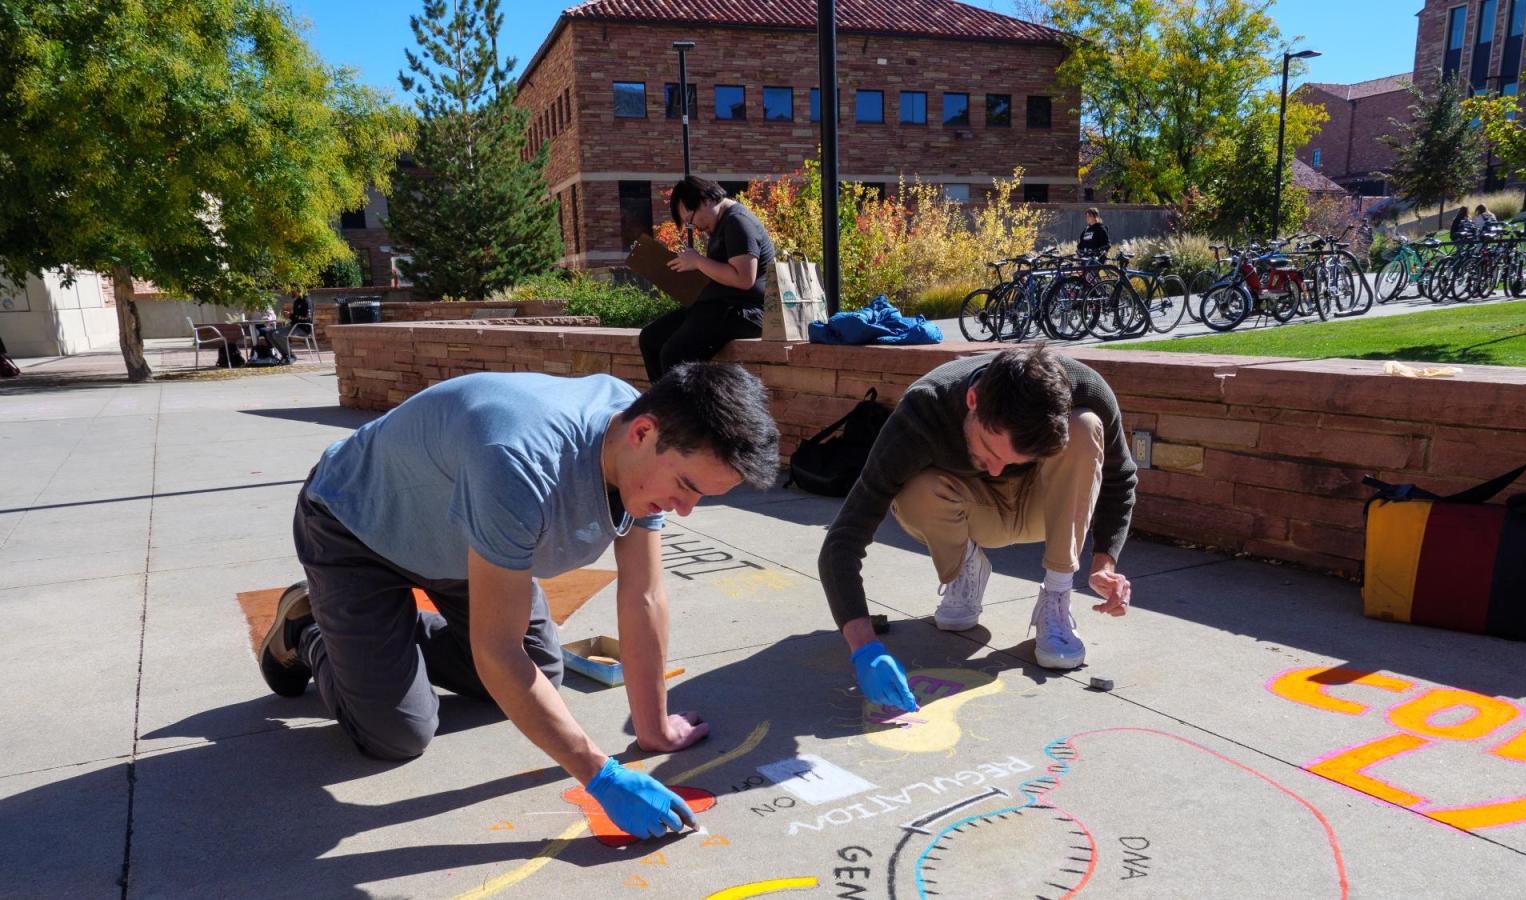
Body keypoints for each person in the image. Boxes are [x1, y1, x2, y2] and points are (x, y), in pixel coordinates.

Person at [258, 363, 780, 839]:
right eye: (686, 486)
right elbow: (498, 651)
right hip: (359, 526)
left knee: (538, 677)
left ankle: (379, 635)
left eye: (700, 497)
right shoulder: (520, 461)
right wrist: (602, 775)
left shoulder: (635, 440)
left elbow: (642, 593)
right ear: (644, 433)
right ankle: (311, 629)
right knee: (397, 732)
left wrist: (654, 728)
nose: (685, 511)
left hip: (467, 544)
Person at [818, 346, 1137, 712]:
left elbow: (1121, 478)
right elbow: (843, 540)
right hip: (973, 512)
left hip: (1046, 510)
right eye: (989, 448)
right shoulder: (924, 410)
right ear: (973, 399)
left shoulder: (1089, 389)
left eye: (1014, 459)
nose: (997, 470)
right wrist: (865, 649)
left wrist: (1104, 563)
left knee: (1084, 427)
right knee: (912, 488)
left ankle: (1056, 595)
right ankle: (965, 564)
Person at [638, 177, 776, 382]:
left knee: (674, 355)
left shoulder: (738, 222)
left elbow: (745, 278)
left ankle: (681, 412)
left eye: (690, 220)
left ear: (705, 201)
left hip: (745, 312)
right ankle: (663, 409)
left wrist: (699, 261)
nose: (694, 227)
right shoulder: (722, 223)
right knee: (650, 339)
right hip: (720, 306)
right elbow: (720, 272)